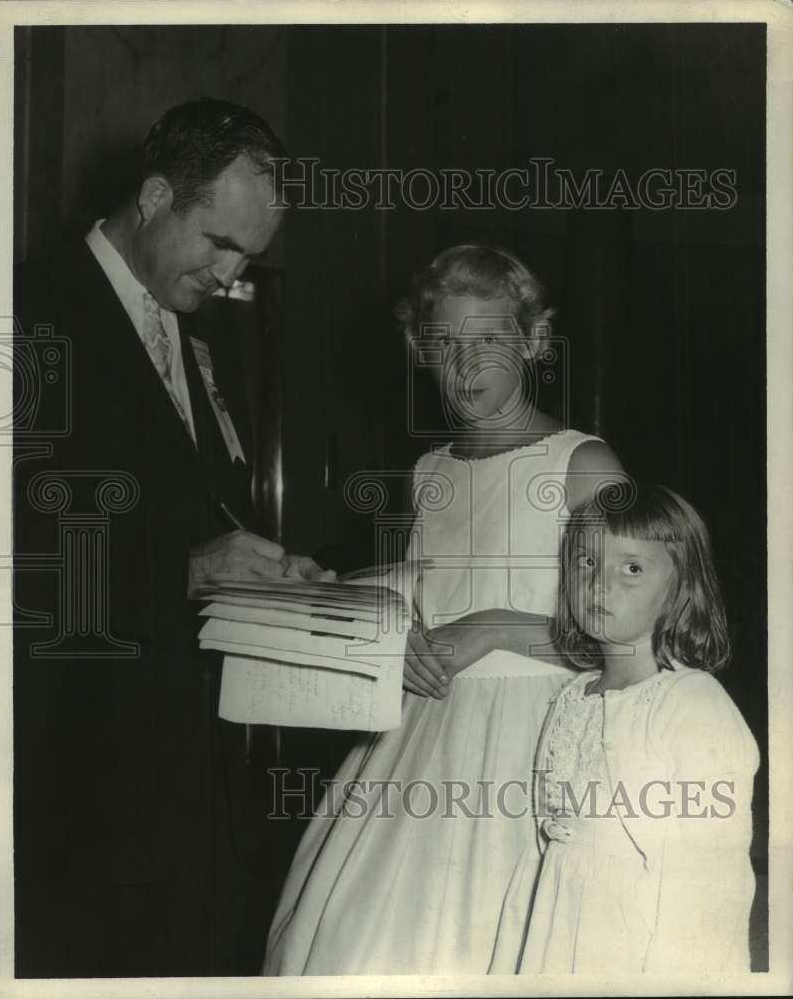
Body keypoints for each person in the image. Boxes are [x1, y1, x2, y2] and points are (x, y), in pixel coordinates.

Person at [13, 98, 328, 977]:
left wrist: (258, 567)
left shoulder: (192, 338)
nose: (230, 276)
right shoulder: (28, 313)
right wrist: (182, 571)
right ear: (154, 196)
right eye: (218, 243)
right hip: (72, 784)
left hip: (189, 786)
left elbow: (191, 509)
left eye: (248, 256)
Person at [263, 244, 626, 975]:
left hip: (536, 748)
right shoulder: (430, 471)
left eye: (489, 339)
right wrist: (374, 618)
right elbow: (425, 592)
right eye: (444, 344)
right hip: (421, 740)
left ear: (533, 342)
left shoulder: (581, 464)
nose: (467, 364)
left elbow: (628, 638)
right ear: (417, 352)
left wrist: (490, 627)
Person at [509, 483, 758, 974]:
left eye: (632, 569)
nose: (599, 585)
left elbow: (711, 877)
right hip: (558, 923)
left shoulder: (691, 705)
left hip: (634, 940)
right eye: (586, 563)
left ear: (682, 588)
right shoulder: (571, 695)